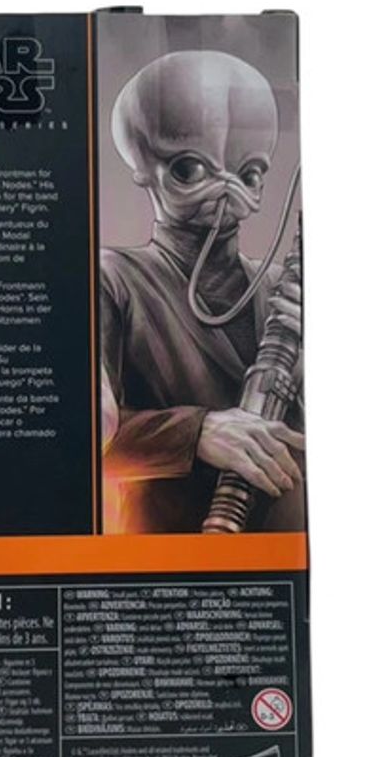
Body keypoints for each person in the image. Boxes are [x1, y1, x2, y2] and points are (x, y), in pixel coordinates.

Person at [101, 49, 304, 535]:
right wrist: (196, 433)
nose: (228, 191)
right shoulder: (113, 278)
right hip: (168, 555)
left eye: (249, 174)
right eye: (190, 170)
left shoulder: (284, 290)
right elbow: (74, 436)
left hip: (279, 551)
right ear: (142, 167)